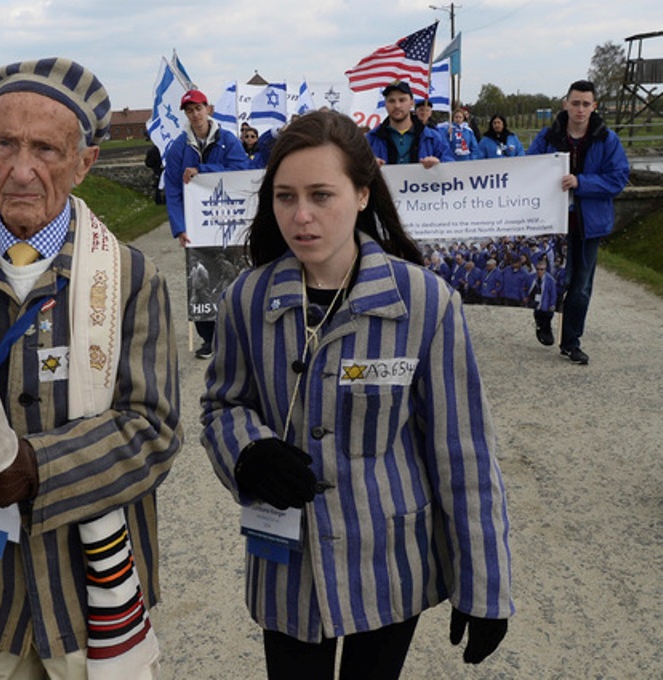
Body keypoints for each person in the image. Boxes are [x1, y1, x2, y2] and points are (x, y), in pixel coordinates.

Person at [201, 110, 512, 679]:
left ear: (364, 194)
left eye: (322, 195)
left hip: (389, 563)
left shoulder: (425, 302)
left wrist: (486, 585)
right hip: (288, 563)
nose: (301, 216)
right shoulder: (245, 299)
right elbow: (222, 404)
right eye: (285, 196)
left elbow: (463, 452)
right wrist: (248, 452)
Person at [0, 57, 183, 679]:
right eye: (6, 145)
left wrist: (34, 467)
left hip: (89, 596)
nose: (22, 170)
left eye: (46, 149)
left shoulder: (130, 278)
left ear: (84, 164)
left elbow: (152, 431)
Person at [527, 79, 630, 364]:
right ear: (566, 104)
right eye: (575, 103)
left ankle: (571, 342)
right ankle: (543, 317)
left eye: (586, 104)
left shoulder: (607, 140)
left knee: (581, 286)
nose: (580, 109)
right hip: (552, 223)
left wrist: (581, 182)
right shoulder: (548, 137)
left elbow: (618, 178)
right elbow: (528, 169)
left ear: (594, 106)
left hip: (589, 225)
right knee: (553, 278)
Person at [164, 88, 250, 359]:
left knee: (234, 276)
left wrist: (204, 170)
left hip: (228, 221)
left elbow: (241, 171)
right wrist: (180, 227)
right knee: (200, 281)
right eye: (190, 111)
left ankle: (237, 335)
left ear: (208, 109)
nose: (195, 114)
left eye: (199, 108)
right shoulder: (179, 147)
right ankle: (208, 339)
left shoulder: (227, 140)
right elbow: (173, 190)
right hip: (198, 226)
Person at [366, 81, 454, 167]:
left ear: (412, 102)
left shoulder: (434, 138)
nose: (397, 105)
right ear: (385, 104)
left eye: (402, 100)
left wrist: (440, 165)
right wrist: (366, 167)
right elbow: (355, 170)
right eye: (391, 101)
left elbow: (452, 169)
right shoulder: (370, 139)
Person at [525, 259, 558, 346]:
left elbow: (553, 294)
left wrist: (552, 304)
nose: (539, 271)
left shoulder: (550, 280)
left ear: (545, 269)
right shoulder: (531, 277)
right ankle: (540, 333)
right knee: (538, 320)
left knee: (546, 322)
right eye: (538, 269)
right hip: (535, 303)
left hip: (545, 304)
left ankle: (548, 338)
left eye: (542, 269)